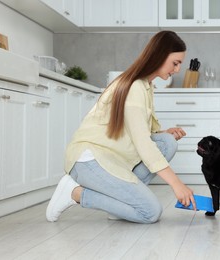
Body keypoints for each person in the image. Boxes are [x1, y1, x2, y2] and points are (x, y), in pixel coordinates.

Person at [46, 31, 196, 224]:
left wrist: (164, 133)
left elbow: (139, 131)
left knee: (167, 142)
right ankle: (74, 193)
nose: (177, 69)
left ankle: (119, 205)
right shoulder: (135, 87)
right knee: (150, 212)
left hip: (112, 159)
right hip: (89, 161)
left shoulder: (146, 86)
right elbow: (143, 145)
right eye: (175, 63)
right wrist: (177, 184)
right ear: (160, 55)